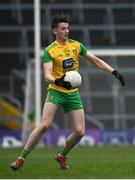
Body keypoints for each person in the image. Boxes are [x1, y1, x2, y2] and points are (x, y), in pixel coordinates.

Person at [10, 14, 125, 171]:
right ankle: (21, 159)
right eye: (63, 28)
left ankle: (62, 155)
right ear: (54, 30)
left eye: (68, 28)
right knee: (44, 125)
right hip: (56, 91)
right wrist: (58, 81)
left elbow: (96, 60)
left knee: (79, 132)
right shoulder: (49, 51)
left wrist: (114, 72)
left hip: (72, 93)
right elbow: (47, 75)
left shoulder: (76, 46)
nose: (66, 31)